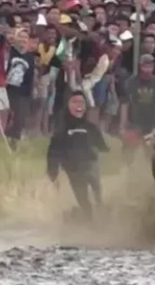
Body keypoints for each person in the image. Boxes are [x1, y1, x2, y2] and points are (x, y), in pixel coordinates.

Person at [47, 91, 109, 220]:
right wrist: (52, 171)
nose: (78, 105)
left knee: (97, 194)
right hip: (73, 170)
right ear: (67, 105)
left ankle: (102, 216)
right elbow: (53, 152)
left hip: (91, 166)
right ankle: (88, 221)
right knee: (83, 199)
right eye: (74, 102)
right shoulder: (61, 130)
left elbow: (103, 148)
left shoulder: (91, 128)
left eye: (81, 102)